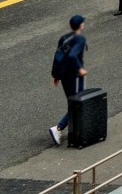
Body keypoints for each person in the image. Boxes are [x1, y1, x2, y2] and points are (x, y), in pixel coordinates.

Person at [47, 15, 89, 147]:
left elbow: (59, 56)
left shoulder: (64, 38)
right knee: (77, 103)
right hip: (74, 76)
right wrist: (80, 69)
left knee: (73, 102)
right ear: (81, 25)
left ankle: (75, 128)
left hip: (64, 75)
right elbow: (71, 56)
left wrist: (56, 76)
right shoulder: (80, 39)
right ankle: (59, 128)